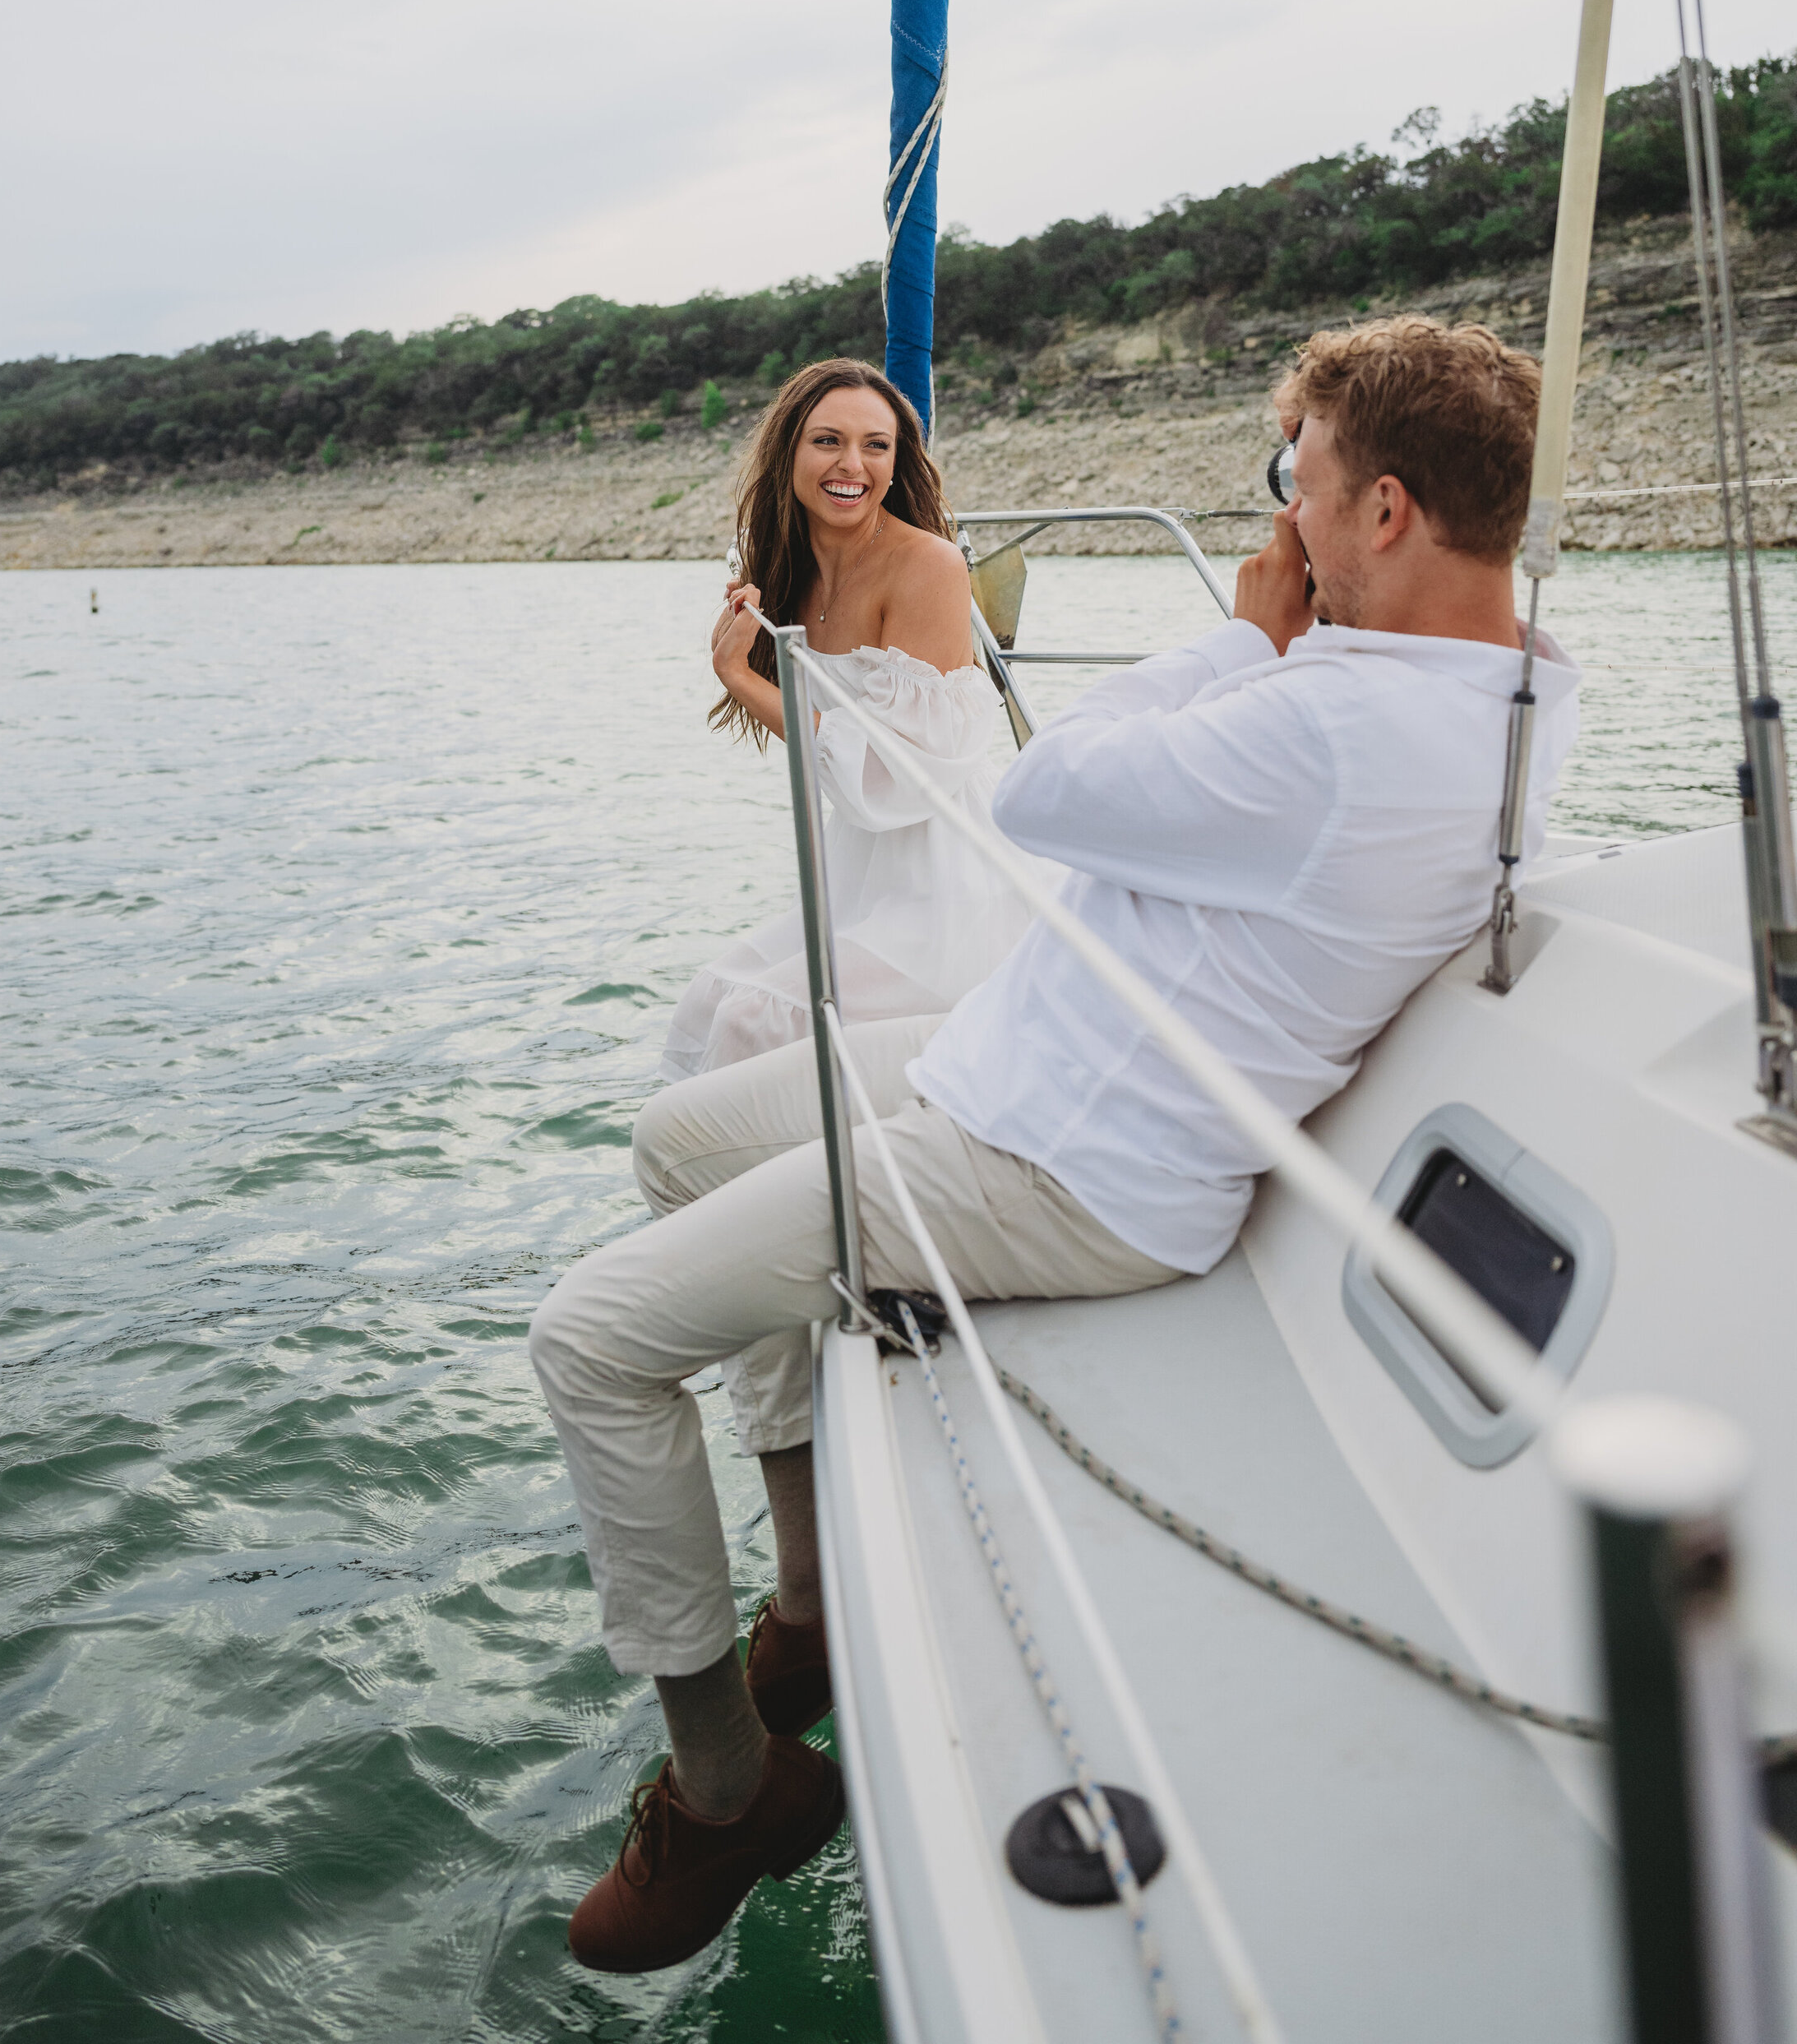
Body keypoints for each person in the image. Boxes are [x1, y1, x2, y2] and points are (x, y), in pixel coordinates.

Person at [529, 315, 1578, 1976]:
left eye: (1289, 482)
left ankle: (730, 1792)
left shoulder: (1322, 718)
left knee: (586, 1341)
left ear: (1381, 513)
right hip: (1014, 1054)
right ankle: (802, 1598)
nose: (1274, 528)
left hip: (1054, 1161)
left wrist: (1245, 644)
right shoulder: (1510, 695)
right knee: (680, 1141)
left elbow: (1042, 791)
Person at [662, 357, 1035, 1084]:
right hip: (863, 862)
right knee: (707, 1004)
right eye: (828, 440)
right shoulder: (777, 566)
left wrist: (740, 678)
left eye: (876, 445)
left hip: (946, 870)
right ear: (790, 451)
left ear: (898, 464)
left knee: (754, 1023)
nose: (852, 465)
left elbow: (900, 777)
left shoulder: (927, 564)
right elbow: (833, 744)